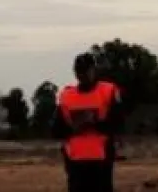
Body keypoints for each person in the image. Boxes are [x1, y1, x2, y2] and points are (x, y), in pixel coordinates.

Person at [52, 52, 124, 192]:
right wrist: (74, 127)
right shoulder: (67, 96)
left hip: (101, 160)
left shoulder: (108, 91)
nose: (82, 75)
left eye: (85, 71)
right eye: (78, 71)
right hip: (75, 161)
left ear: (93, 70)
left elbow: (118, 123)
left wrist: (94, 122)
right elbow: (56, 130)